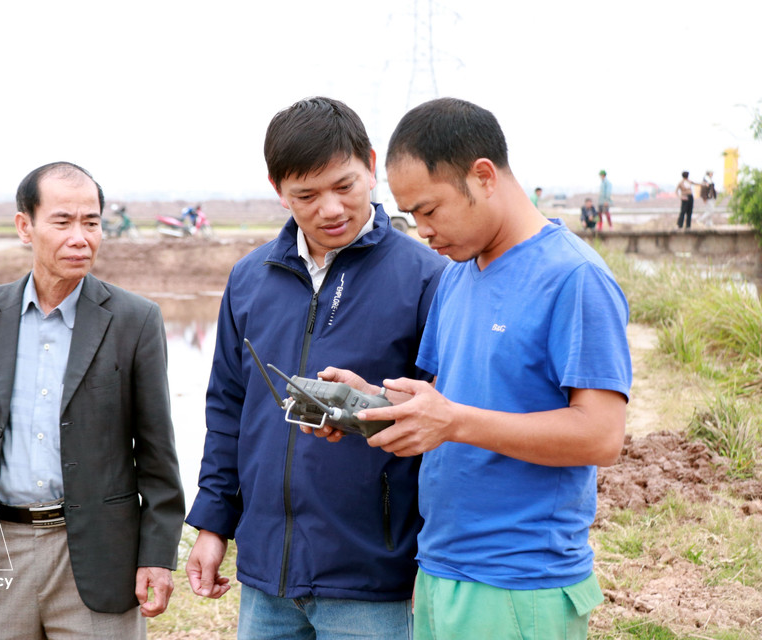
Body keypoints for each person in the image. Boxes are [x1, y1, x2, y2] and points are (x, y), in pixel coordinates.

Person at [321, 98, 631, 639]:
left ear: (483, 176)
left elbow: (601, 436)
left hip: (520, 583)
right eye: (411, 215)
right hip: (441, 568)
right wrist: (370, 403)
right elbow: (449, 402)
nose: (422, 231)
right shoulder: (457, 276)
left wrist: (455, 421)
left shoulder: (574, 278)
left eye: (429, 210)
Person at [185, 97, 447, 639]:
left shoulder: (428, 277)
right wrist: (213, 522)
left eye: (345, 186)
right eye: (306, 195)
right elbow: (227, 408)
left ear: (371, 166)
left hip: (372, 573)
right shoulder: (249, 278)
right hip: (266, 575)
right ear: (277, 189)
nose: (330, 209)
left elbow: (446, 418)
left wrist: (368, 409)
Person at [0, 162, 185, 639]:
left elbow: (157, 453)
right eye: (63, 222)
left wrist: (157, 558)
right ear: (26, 226)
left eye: (92, 222)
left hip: (100, 554)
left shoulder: (134, 321)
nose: (81, 237)